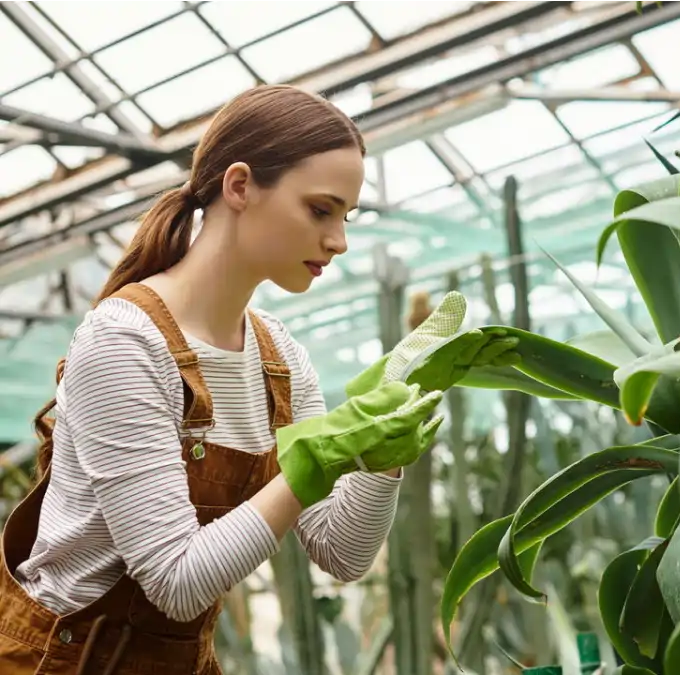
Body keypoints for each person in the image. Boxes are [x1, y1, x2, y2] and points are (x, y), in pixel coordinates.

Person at [0, 84, 514, 674]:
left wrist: (383, 451)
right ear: (239, 186)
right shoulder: (125, 343)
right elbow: (175, 580)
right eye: (320, 210)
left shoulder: (279, 358)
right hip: (65, 660)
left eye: (346, 217)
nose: (339, 241)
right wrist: (313, 466)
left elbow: (342, 552)